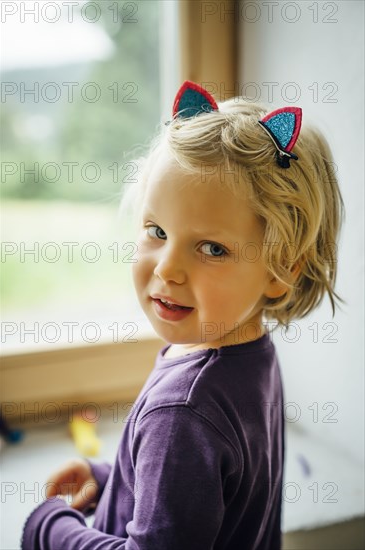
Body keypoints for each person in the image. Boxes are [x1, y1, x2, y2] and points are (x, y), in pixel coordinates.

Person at [21, 81, 345, 549]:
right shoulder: (250, 354)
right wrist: (110, 478)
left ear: (280, 270)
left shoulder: (183, 411)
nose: (168, 268)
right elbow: (204, 484)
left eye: (212, 248)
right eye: (156, 230)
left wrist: (49, 528)